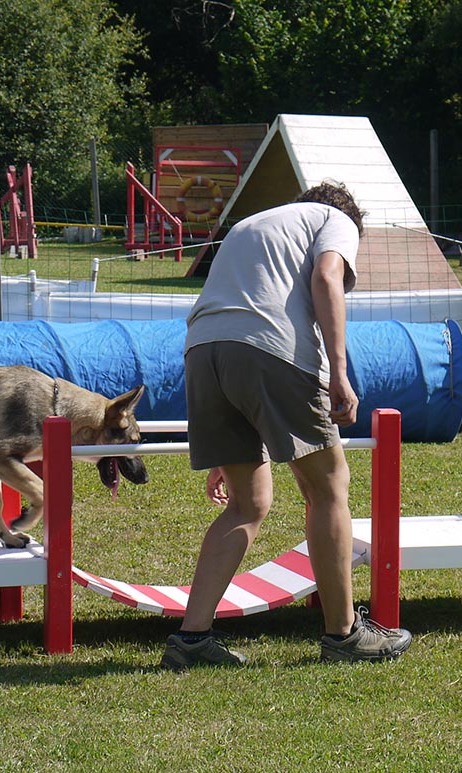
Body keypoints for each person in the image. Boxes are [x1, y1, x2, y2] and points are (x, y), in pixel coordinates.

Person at [160, 181, 413, 670]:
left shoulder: (250, 224)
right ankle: (343, 636)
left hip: (202, 351)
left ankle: (190, 641)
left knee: (247, 503)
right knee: (328, 488)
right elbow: (325, 277)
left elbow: (243, 299)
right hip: (270, 350)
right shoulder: (333, 219)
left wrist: (227, 446)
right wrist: (339, 372)